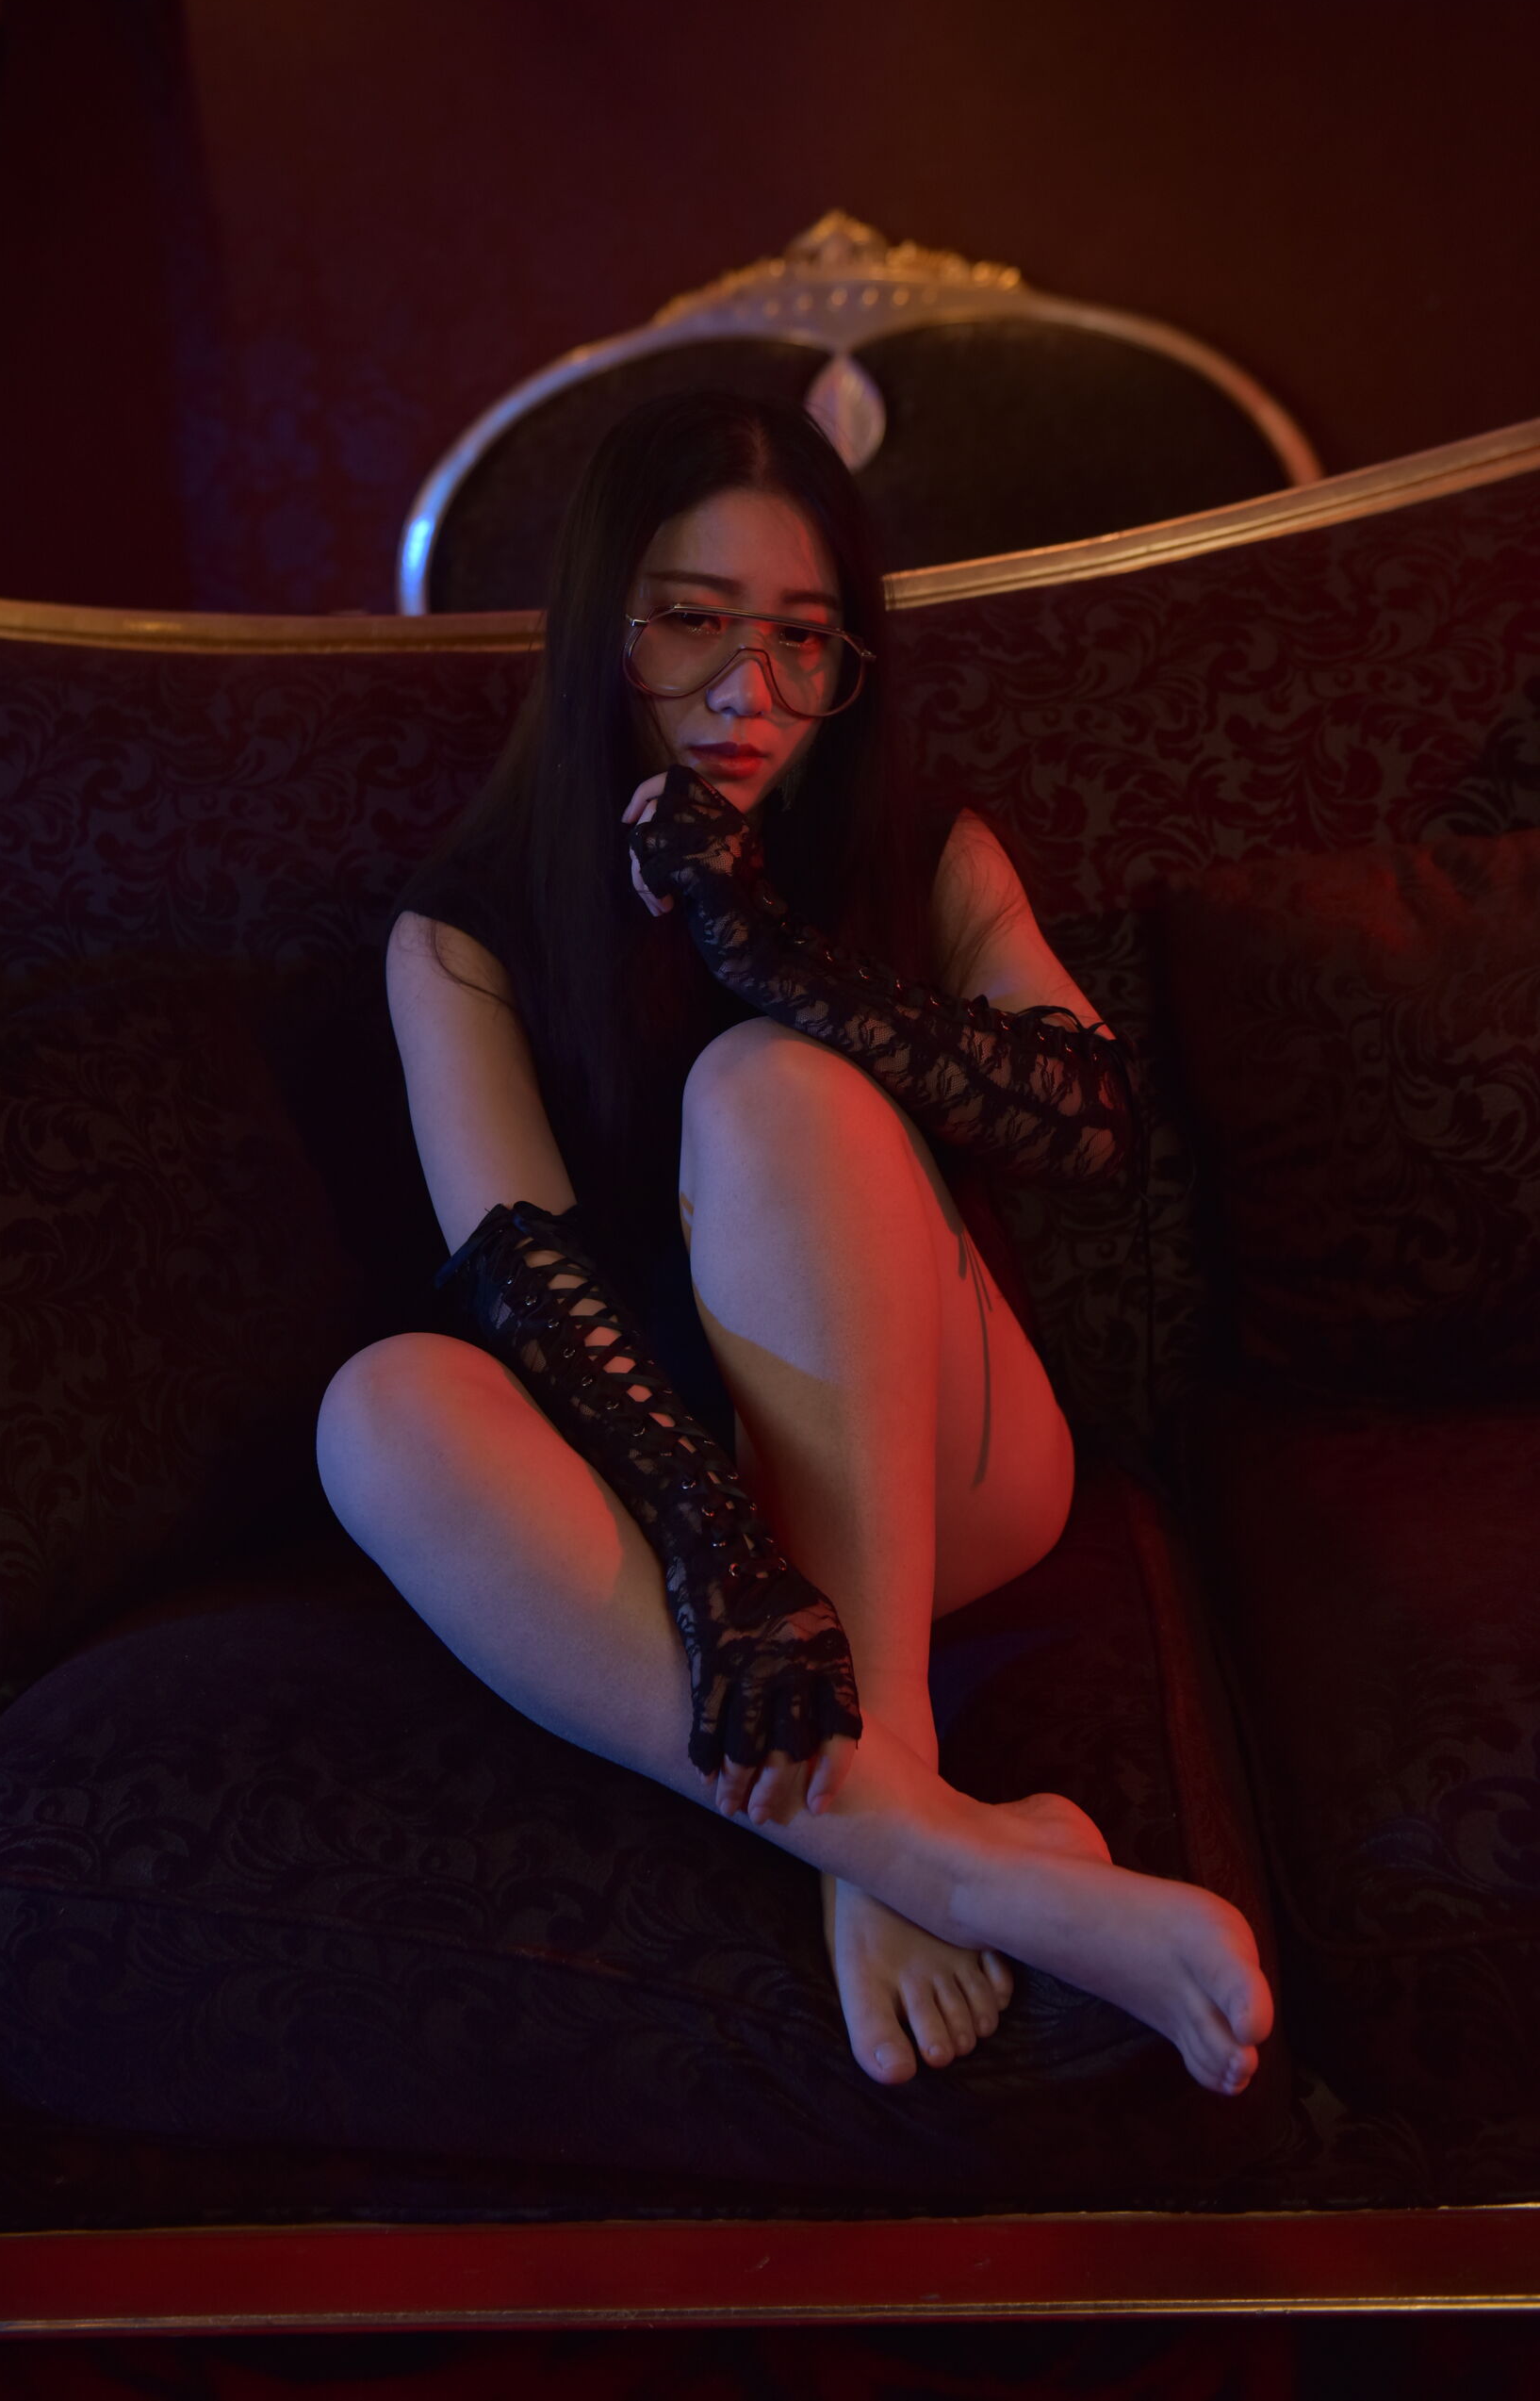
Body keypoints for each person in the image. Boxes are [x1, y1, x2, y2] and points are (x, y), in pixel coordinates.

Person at [317, 389, 1272, 2097]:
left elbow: (1093, 1120)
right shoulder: (462, 933)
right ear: (601, 626)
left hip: (949, 1467)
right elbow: (529, 1292)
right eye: (693, 621)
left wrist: (771, 957)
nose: (750, 695)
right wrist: (721, 1559)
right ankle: (934, 1856)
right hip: (678, 1511)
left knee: (772, 1085)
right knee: (378, 1409)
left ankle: (880, 1759)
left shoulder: (924, 846)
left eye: (806, 640)